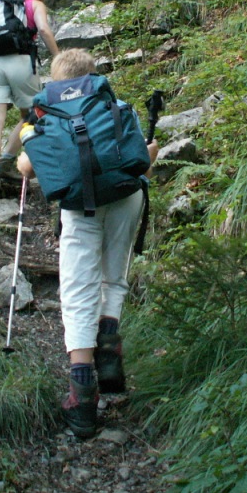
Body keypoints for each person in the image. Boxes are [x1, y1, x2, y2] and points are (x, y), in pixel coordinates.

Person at [16, 48, 160, 438]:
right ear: (92, 75)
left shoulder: (46, 116)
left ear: (56, 80)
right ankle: (109, 358)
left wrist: (23, 158)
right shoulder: (116, 105)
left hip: (80, 209)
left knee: (78, 291)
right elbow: (145, 157)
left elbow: (29, 166)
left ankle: (82, 401)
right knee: (113, 279)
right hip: (126, 198)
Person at [0, 0, 59, 199]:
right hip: (20, 61)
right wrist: (58, 57)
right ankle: (7, 161)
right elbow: (43, 30)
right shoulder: (34, 4)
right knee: (32, 114)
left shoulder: (1, 6)